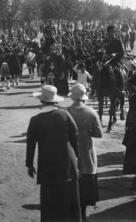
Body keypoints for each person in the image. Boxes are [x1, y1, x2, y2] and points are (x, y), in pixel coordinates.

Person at [26, 85, 82, 222]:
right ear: (55, 101)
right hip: (68, 163)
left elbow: (31, 145)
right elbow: (75, 137)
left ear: (41, 101)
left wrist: (29, 164)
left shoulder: (36, 120)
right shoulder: (65, 115)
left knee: (49, 201)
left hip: (47, 165)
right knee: (70, 199)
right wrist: (78, 157)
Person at [68, 83, 103, 220]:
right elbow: (98, 134)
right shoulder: (91, 112)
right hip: (86, 149)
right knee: (86, 177)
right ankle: (83, 211)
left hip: (71, 150)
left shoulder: (66, 112)